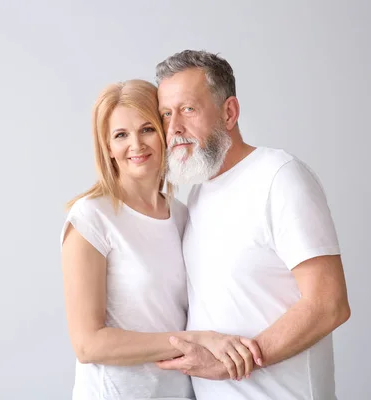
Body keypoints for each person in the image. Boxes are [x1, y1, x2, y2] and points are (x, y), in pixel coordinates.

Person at [154, 50, 351, 399]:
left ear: (229, 112)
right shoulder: (199, 194)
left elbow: (328, 303)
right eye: (166, 114)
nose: (174, 129)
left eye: (188, 109)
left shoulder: (280, 176)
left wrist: (236, 362)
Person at [59, 79, 262, 400]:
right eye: (121, 135)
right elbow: (88, 344)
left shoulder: (183, 216)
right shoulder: (90, 218)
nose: (136, 145)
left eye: (147, 129)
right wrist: (196, 339)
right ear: (108, 148)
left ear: (167, 133)